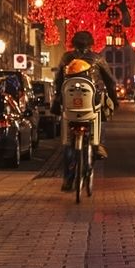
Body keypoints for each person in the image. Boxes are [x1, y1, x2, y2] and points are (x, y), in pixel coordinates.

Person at [52, 30, 117, 167]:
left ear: (73, 43)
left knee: (67, 128)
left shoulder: (66, 58)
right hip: (92, 102)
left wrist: (58, 98)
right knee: (101, 116)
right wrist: (113, 100)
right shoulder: (98, 58)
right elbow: (110, 82)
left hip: (69, 102)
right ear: (91, 44)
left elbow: (58, 80)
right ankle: (98, 144)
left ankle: (68, 168)